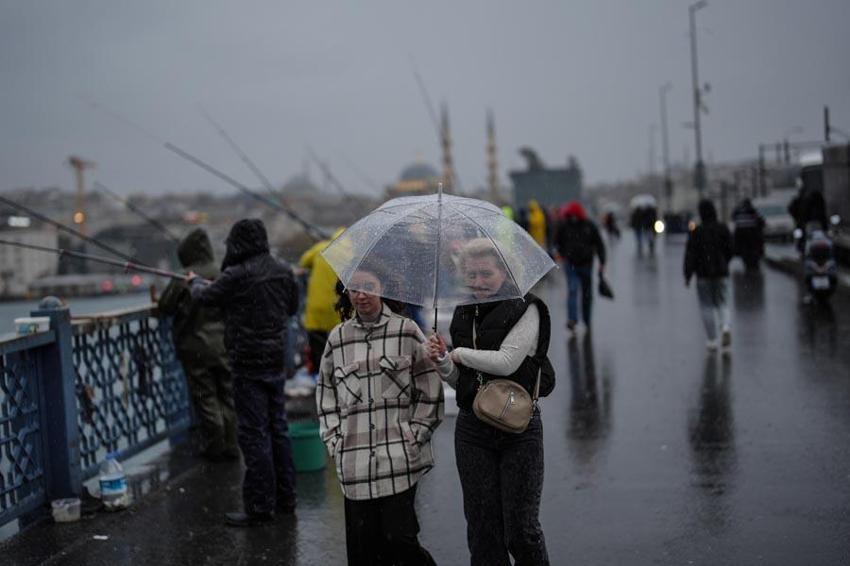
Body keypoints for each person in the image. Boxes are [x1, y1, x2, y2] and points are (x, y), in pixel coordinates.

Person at [427, 238, 554, 566]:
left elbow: (507, 362)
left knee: (521, 531)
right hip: (473, 428)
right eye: (471, 276)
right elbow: (462, 381)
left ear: (505, 273)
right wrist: (443, 361)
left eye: (486, 274)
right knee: (483, 532)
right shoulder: (463, 313)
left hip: (519, 428)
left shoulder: (529, 308)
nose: (478, 283)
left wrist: (458, 352)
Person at [317, 263, 443, 565]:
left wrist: (415, 435)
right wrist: (335, 441)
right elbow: (325, 393)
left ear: (382, 289)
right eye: (354, 288)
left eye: (369, 288)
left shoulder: (406, 330)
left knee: (401, 543)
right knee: (363, 552)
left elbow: (430, 389)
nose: (361, 295)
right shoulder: (338, 338)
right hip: (355, 464)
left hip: (399, 460)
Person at [190, 219, 299, 527]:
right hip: (276, 359)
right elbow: (291, 307)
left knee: (254, 434)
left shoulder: (236, 274)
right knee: (278, 429)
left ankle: (259, 505)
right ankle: (286, 498)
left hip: (247, 362)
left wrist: (194, 282)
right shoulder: (283, 270)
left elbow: (205, 298)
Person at [158, 228, 238, 461]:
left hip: (195, 347)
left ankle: (215, 445)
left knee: (206, 396)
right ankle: (232, 444)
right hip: (224, 344)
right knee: (227, 394)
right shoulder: (223, 272)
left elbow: (165, 306)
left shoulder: (184, 277)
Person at [684, 200, 734, 351]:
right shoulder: (722, 228)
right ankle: (725, 326)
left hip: (703, 275)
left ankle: (712, 340)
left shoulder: (697, 232)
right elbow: (731, 248)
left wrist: (687, 275)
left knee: (706, 307)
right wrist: (725, 262)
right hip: (721, 272)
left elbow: (690, 255)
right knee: (723, 303)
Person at [554, 201, 607, 332]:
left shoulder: (586, 226)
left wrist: (602, 262)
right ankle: (573, 319)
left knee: (585, 294)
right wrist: (561, 253)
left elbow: (599, 245)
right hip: (574, 264)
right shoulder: (570, 226)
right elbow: (558, 242)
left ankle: (585, 320)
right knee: (575, 291)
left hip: (584, 265)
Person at [299, 227, 344, 374]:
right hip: (338, 306)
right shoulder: (353, 253)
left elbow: (304, 261)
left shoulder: (322, 248)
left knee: (318, 343)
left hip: (317, 306)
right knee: (340, 343)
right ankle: (338, 372)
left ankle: (320, 375)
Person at [731, 198, 765, 271]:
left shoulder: (738, 211)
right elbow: (760, 221)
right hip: (752, 234)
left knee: (744, 250)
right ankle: (753, 264)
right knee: (754, 249)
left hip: (742, 235)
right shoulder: (752, 210)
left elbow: (733, 218)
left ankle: (748, 263)